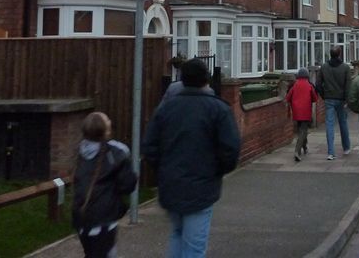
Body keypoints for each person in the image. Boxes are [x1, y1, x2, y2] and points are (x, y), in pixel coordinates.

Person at [144, 58, 241, 257]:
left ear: (182, 80)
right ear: (206, 79)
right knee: (195, 246)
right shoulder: (218, 109)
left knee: (177, 234)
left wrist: (163, 169)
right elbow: (230, 149)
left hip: (171, 183)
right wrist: (216, 171)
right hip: (201, 186)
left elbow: (149, 146)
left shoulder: (166, 109)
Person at [72, 111, 138, 258]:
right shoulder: (116, 152)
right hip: (104, 216)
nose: (110, 120)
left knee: (91, 253)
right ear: (105, 129)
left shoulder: (78, 151)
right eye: (107, 119)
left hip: (81, 214)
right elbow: (127, 185)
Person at [316, 46, 352, 160]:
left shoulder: (324, 67)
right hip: (341, 100)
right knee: (343, 123)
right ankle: (346, 148)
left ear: (330, 54)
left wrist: (324, 96)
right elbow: (348, 86)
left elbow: (318, 84)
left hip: (329, 99)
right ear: (340, 54)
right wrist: (347, 99)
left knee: (329, 125)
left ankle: (331, 152)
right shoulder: (345, 68)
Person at [285, 67, 318, 161]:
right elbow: (315, 99)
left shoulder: (294, 85)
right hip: (306, 111)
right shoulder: (309, 85)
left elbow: (287, 98)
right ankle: (297, 151)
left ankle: (305, 147)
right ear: (307, 75)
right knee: (303, 131)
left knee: (301, 131)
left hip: (296, 111)